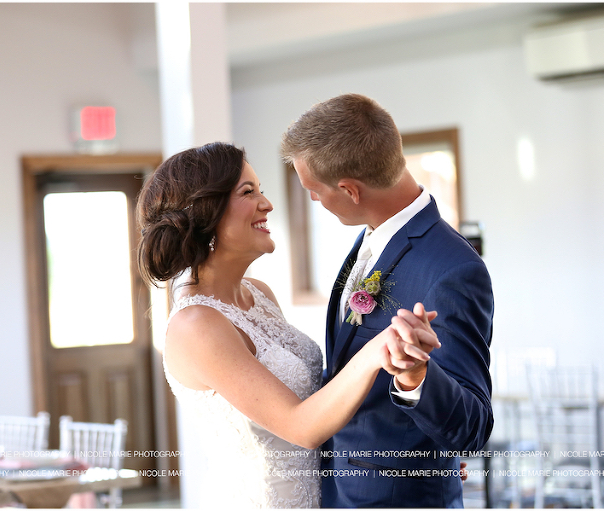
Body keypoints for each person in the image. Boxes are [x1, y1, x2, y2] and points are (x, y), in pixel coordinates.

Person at [136, 142, 440, 508]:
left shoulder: (258, 294)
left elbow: (324, 402)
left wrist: (417, 457)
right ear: (207, 213)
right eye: (248, 192)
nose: (267, 204)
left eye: (261, 190)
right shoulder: (195, 325)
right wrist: (378, 348)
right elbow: (301, 427)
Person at [281, 93, 494, 508]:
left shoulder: (452, 269)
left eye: (313, 189)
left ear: (350, 189)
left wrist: (416, 378)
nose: (313, 199)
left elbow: (473, 427)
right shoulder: (372, 235)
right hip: (341, 489)